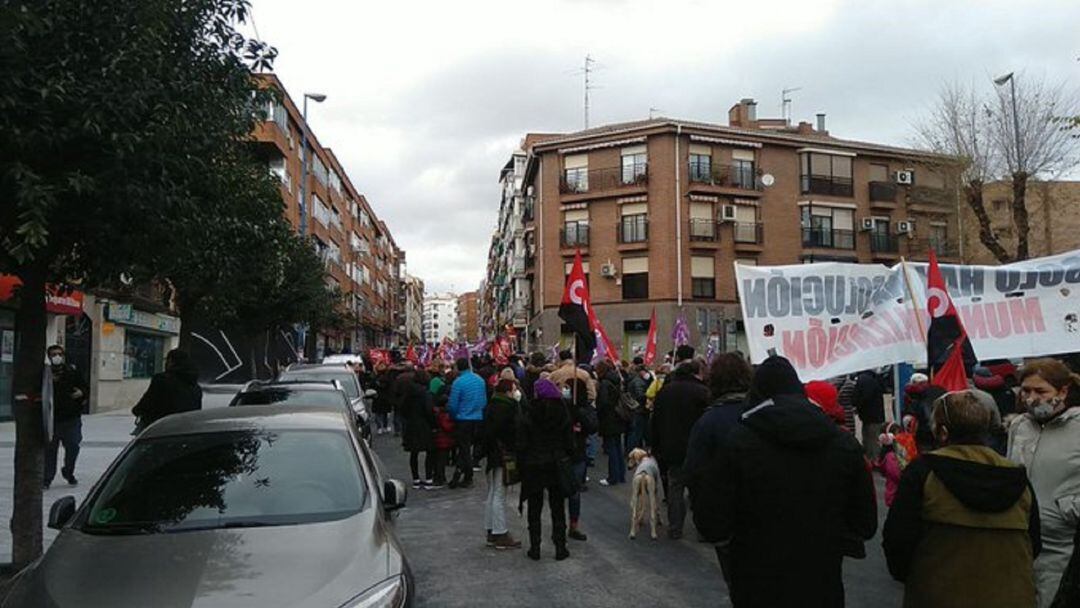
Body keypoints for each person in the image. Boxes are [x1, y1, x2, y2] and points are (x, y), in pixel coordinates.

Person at [693, 356, 877, 607]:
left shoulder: (739, 444)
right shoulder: (843, 445)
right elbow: (865, 523)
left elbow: (711, 521)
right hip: (821, 583)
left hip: (757, 583)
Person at [884, 390, 1040, 608]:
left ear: (943, 431)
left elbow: (898, 540)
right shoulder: (1017, 477)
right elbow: (1034, 542)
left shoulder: (924, 472)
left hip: (938, 593)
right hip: (1010, 594)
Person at [1007, 358, 1080, 608]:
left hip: (1062, 541)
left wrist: (1070, 508)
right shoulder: (1018, 426)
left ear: (1063, 391)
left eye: (1041, 391)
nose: (1031, 398)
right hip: (1020, 535)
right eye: (1026, 390)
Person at [685, 353, 753, 548]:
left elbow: (694, 471)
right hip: (762, 516)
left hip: (725, 519)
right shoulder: (761, 413)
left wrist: (706, 520)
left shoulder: (708, 422)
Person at [650, 357, 710, 540]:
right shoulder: (702, 392)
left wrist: (656, 447)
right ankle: (703, 530)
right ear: (694, 373)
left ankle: (675, 528)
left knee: (675, 489)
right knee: (699, 490)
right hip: (698, 448)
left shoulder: (664, 392)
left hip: (672, 448)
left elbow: (655, 422)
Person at [517, 378, 574, 561]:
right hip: (556, 462)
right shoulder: (562, 412)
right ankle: (560, 547)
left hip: (534, 464)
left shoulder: (529, 412)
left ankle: (535, 547)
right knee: (557, 507)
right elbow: (569, 441)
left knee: (535, 507)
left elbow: (522, 442)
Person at [482, 378, 522, 549]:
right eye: (513, 389)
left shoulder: (491, 405)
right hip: (503, 455)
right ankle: (500, 532)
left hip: (493, 454)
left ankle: (491, 529)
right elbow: (514, 432)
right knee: (499, 494)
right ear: (507, 391)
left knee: (493, 493)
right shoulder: (509, 408)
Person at [43, 345, 88, 488]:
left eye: (59, 354)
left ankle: (68, 472)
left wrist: (81, 393)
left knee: (73, 446)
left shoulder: (72, 371)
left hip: (71, 418)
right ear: (49, 357)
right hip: (52, 419)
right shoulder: (45, 373)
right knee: (50, 450)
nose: (57, 357)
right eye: (53, 354)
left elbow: (85, 387)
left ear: (63, 356)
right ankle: (47, 478)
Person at [132, 349, 202, 429]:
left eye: (167, 360)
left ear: (171, 362)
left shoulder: (162, 380)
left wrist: (137, 411)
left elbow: (148, 402)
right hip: (186, 430)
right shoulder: (196, 387)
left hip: (160, 428)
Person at [565, 378, 597, 542]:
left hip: (577, 453)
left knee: (574, 492)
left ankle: (574, 524)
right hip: (562, 453)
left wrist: (580, 416)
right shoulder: (560, 406)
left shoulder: (584, 409)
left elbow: (592, 426)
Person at [447, 358, 486, 489]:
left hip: (463, 419)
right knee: (467, 448)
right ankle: (458, 474)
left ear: (458, 368)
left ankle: (467, 476)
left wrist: (454, 416)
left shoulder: (458, 382)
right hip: (478, 418)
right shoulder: (480, 380)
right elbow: (484, 400)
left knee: (464, 448)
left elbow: (452, 404)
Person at [594, 360, 628, 487]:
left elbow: (603, 403)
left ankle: (612, 477)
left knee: (612, 448)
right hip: (618, 417)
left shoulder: (604, 383)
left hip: (609, 419)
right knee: (618, 447)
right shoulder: (616, 379)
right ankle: (620, 475)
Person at [402, 369, 436, 489]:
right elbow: (429, 410)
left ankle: (416, 479)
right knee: (430, 452)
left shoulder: (409, 393)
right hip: (424, 425)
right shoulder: (426, 394)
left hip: (411, 425)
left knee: (414, 453)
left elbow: (403, 409)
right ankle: (428, 478)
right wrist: (433, 424)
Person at [903, 372, 945, 451]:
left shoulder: (911, 394)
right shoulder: (939, 390)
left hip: (924, 434)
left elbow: (910, 414)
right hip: (937, 432)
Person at [853, 369, 886, 459]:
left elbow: (860, 397)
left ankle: (873, 460)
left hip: (868, 415)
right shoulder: (874, 378)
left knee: (869, 439)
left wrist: (856, 405)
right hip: (876, 414)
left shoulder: (862, 379)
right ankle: (873, 459)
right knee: (873, 439)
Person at [626, 361, 653, 449]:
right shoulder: (639, 381)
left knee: (637, 431)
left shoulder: (635, 379)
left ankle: (633, 449)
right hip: (639, 409)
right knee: (637, 432)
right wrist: (649, 396)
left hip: (636, 408)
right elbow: (640, 395)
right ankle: (632, 450)